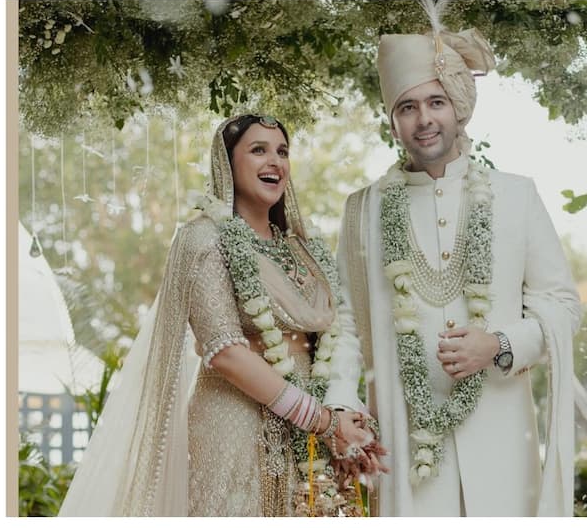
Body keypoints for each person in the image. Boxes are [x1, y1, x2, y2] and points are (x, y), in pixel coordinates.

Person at [324, 6, 582, 517]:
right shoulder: (364, 209)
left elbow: (562, 304)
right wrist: (339, 404)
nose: (424, 120)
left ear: (457, 107)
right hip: (405, 440)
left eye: (435, 102)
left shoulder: (515, 195)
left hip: (502, 436)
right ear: (392, 120)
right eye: (408, 107)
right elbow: (344, 324)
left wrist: (500, 344)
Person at [58, 114, 384, 516]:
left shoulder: (303, 249)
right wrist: (321, 420)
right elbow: (225, 350)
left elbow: (331, 341)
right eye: (258, 150)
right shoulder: (205, 238)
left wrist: (340, 419)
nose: (275, 162)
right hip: (234, 420)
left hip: (309, 428)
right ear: (227, 164)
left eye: (282, 152)